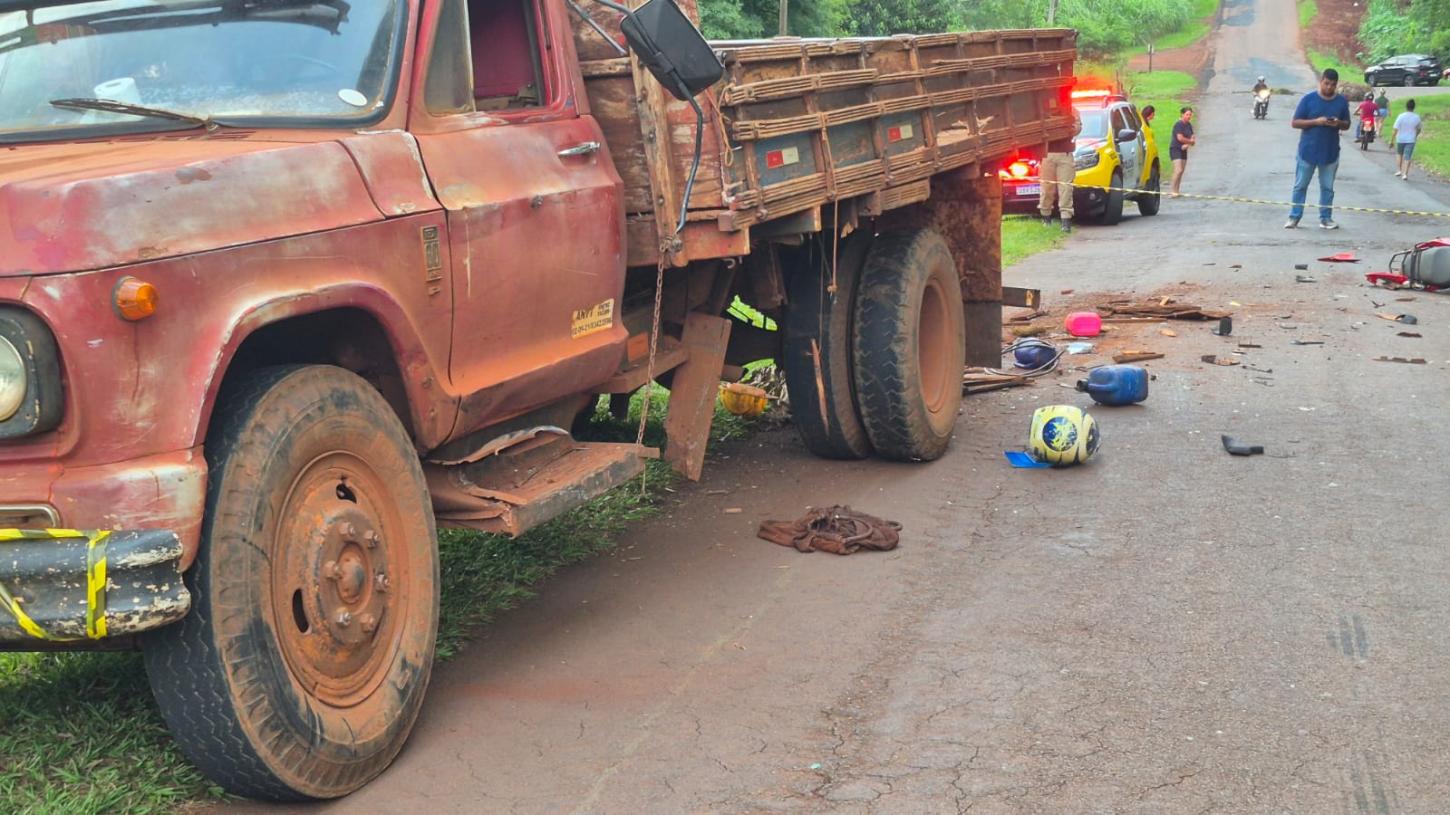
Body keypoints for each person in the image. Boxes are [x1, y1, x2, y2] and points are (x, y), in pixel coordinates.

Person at [1285, 68, 1350, 230]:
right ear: (1321, 81)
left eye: (1333, 85)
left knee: (1327, 188)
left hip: (1330, 152)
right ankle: (1294, 216)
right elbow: (1295, 123)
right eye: (1326, 84)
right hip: (1307, 152)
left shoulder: (1341, 102)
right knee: (1300, 185)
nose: (1329, 88)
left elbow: (1347, 124)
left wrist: (1338, 123)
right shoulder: (1308, 99)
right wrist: (1316, 122)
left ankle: (1326, 218)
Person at [1039, 114, 1081, 233]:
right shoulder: (1043, 107)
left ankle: (1065, 221)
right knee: (1047, 188)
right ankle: (1045, 218)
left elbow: (1077, 127)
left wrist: (1068, 127)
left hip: (1065, 153)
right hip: (1047, 154)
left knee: (1065, 188)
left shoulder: (1071, 110)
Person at [1393, 98, 1423, 180]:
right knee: (1408, 156)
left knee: (1399, 154)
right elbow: (1419, 128)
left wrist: (1392, 140)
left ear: (1406, 106)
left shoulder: (1401, 116)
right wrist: (1415, 135)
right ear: (1414, 107)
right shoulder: (1417, 117)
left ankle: (1399, 170)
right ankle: (1405, 174)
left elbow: (1395, 129)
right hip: (1411, 140)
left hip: (1400, 139)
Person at [1169, 107, 1195, 196]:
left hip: (1184, 149)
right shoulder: (1178, 124)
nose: (1189, 116)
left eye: (1190, 114)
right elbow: (1180, 137)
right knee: (1178, 170)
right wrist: (1190, 142)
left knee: (1182, 171)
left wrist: (1189, 143)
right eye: (1187, 114)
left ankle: (1177, 190)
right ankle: (1172, 190)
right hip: (1175, 148)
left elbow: (1192, 137)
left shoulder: (1189, 125)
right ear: (1182, 114)